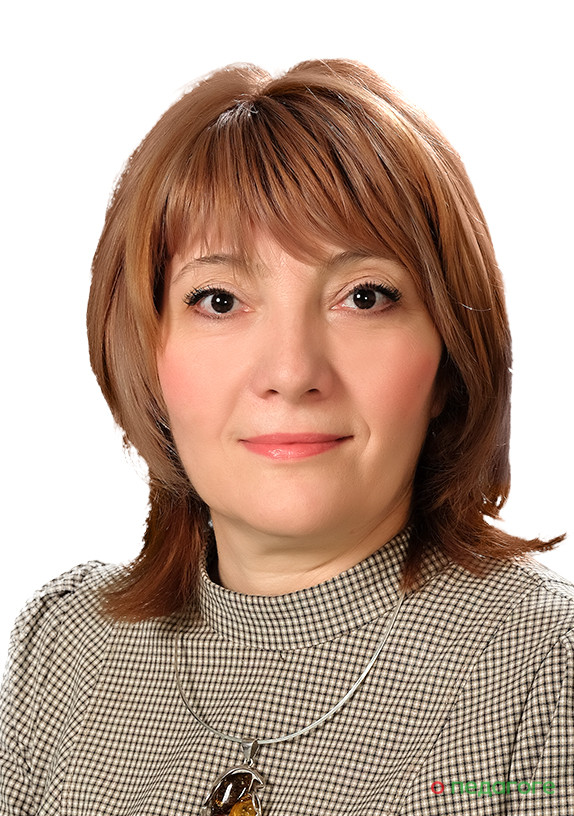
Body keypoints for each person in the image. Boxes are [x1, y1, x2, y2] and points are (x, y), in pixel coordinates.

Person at [1, 59, 573, 815]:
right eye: (218, 300)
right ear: (145, 353)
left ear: (448, 359)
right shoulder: (66, 646)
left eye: (364, 297)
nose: (292, 372)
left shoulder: (543, 673)